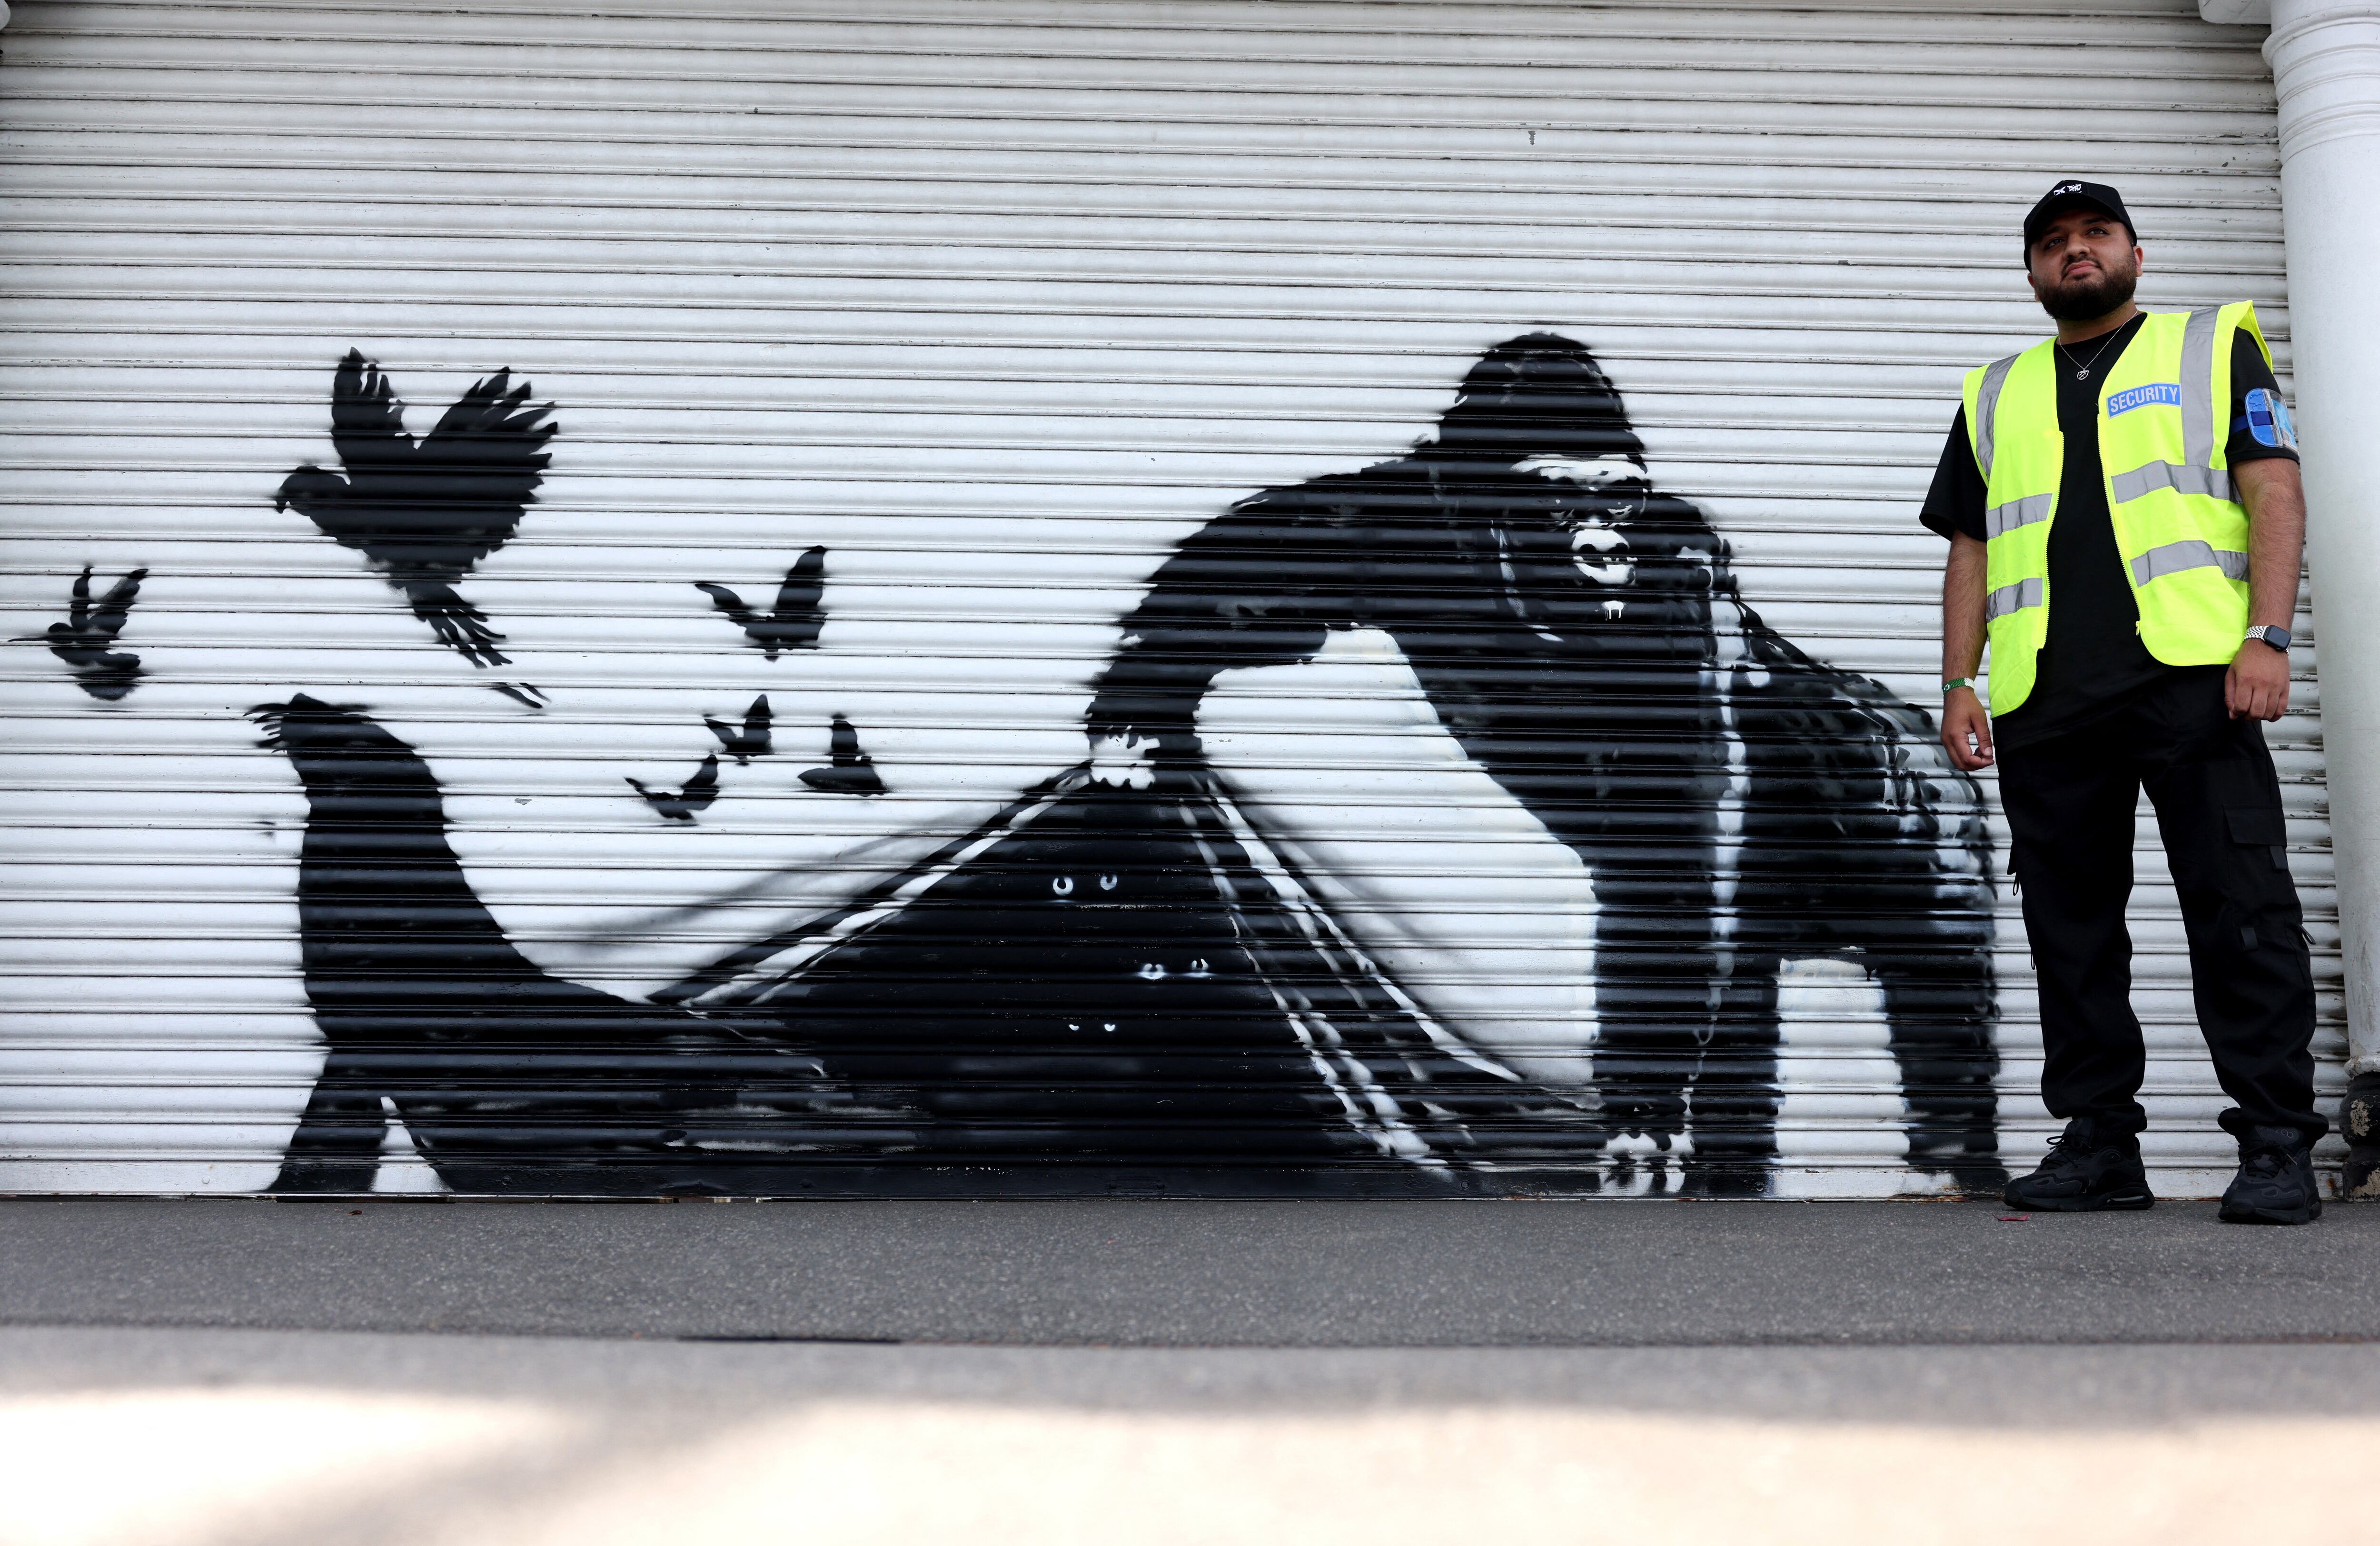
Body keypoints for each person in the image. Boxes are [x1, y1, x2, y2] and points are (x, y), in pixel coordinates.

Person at [1925, 180, 2325, 1223]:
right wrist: (1959, 682)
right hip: (2045, 698)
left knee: (2241, 912)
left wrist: (2267, 636)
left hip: (2195, 682)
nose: (2076, 251)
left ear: (2134, 254)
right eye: (2053, 242)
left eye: (2096, 233)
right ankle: (2100, 1144)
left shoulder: (2207, 347)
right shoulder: (1995, 391)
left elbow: (2272, 489)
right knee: (2072, 936)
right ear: (2031, 273)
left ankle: (2275, 1144)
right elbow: (1971, 546)